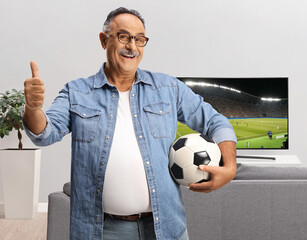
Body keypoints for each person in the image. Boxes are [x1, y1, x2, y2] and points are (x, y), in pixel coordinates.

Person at [23, 7, 237, 240]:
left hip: (165, 227)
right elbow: (44, 133)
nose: (132, 47)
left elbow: (216, 121)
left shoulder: (168, 88)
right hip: (102, 231)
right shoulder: (76, 92)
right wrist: (33, 109)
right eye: (123, 37)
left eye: (140, 39)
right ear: (104, 40)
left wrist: (230, 167)